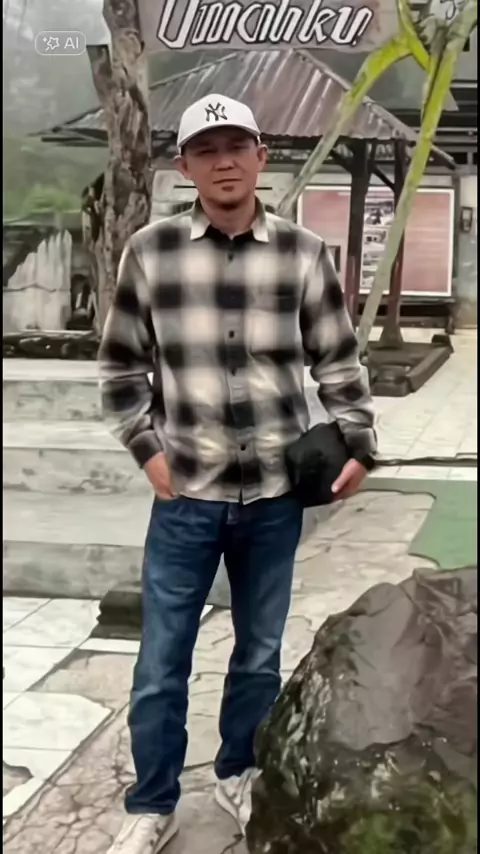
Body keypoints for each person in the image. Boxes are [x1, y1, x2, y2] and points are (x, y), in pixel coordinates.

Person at [99, 94, 377, 853]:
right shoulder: (150, 253)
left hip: (275, 498)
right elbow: (121, 371)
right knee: (162, 661)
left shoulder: (302, 253)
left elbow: (338, 360)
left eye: (236, 146)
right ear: (184, 166)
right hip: (186, 495)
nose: (223, 162)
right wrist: (150, 453)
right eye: (206, 149)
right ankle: (151, 803)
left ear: (261, 155)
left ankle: (238, 771)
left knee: (258, 653)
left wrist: (359, 442)